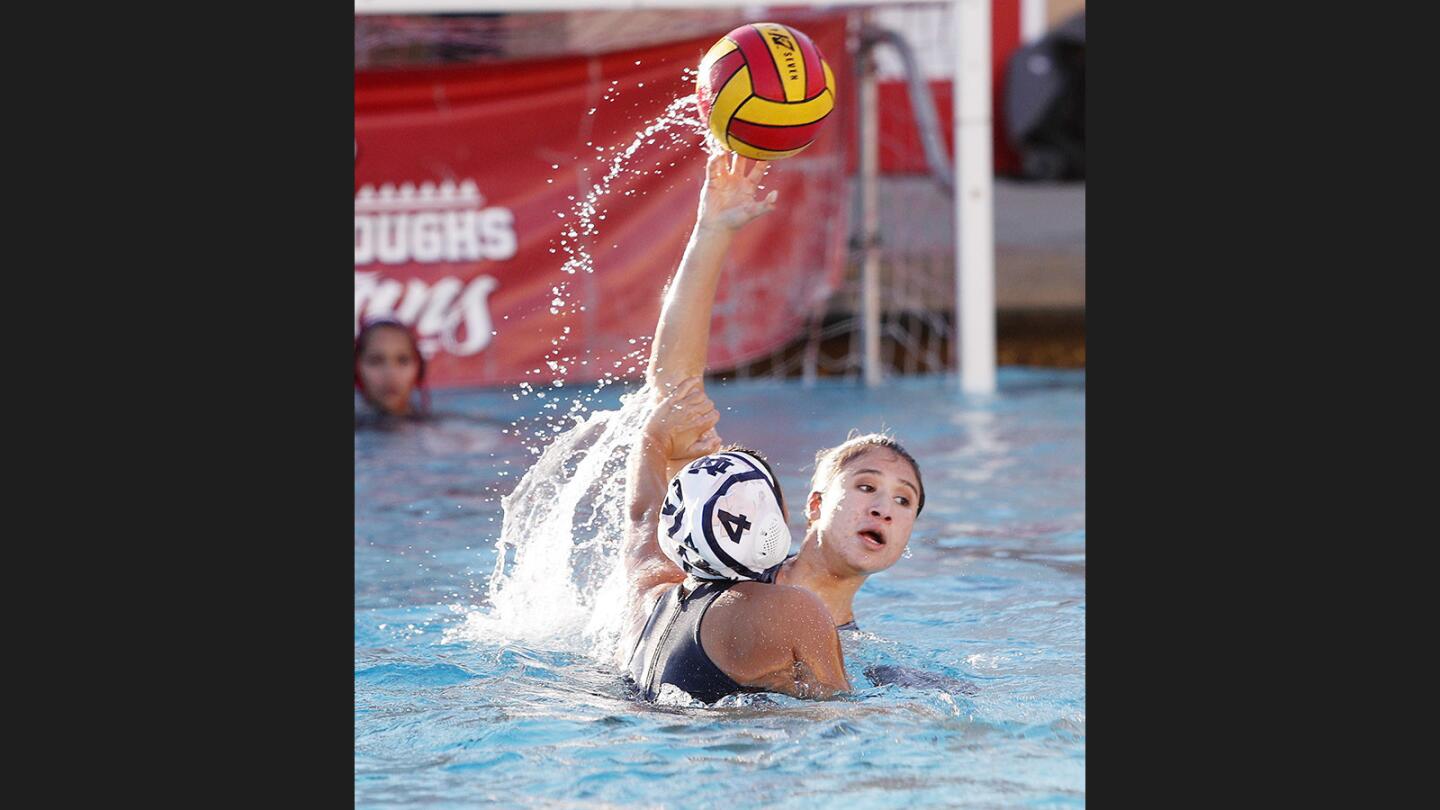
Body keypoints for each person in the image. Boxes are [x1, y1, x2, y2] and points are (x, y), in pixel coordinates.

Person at [620, 149, 927, 702]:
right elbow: (673, 394)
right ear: (812, 506)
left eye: (904, 501)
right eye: (864, 486)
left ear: (906, 539)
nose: (884, 507)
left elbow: (641, 516)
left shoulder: (873, 660)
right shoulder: (717, 546)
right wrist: (710, 231)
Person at [354, 317, 430, 420]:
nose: (390, 374)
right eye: (376, 361)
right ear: (357, 368)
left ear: (418, 368)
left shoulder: (441, 427)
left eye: (402, 360)